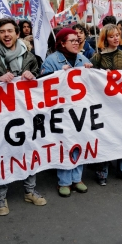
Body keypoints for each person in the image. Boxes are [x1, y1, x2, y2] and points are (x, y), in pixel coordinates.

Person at [0, 19, 47, 214]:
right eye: (2, 32)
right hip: (0, 116)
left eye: (10, 31)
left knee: (28, 149)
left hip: (25, 114)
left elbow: (40, 82)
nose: (6, 35)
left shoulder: (30, 57)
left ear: (17, 34)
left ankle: (30, 191)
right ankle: (1, 198)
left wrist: (33, 77)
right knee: (0, 154)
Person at [41, 28, 93, 197]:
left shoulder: (82, 58)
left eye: (77, 40)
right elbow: (42, 84)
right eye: (72, 40)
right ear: (62, 43)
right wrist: (55, 75)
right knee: (64, 144)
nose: (76, 42)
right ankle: (64, 181)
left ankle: (77, 178)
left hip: (79, 110)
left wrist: (91, 71)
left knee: (79, 142)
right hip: (60, 111)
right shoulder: (51, 60)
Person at [90, 24, 122, 185]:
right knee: (104, 138)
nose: (115, 38)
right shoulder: (97, 58)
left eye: (117, 35)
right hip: (103, 106)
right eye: (111, 36)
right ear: (105, 39)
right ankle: (102, 172)